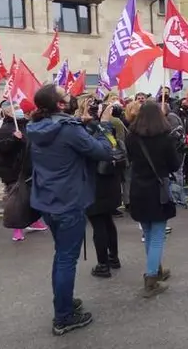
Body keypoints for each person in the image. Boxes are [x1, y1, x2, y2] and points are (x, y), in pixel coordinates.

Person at [26, 85, 113, 336]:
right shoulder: (68, 130)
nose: (71, 95)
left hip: (48, 200)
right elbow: (103, 152)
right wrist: (102, 125)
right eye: (66, 94)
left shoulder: (36, 127)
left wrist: (80, 124)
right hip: (69, 201)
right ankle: (63, 317)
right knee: (66, 259)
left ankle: (63, 302)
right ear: (61, 105)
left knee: (61, 255)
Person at [126, 100, 181, 298]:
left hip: (138, 188)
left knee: (148, 232)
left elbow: (130, 159)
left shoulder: (132, 136)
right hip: (158, 190)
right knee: (157, 234)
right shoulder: (165, 138)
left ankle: (155, 268)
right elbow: (174, 165)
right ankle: (151, 278)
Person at [80, 103, 125, 279]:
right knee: (107, 221)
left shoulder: (86, 132)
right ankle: (113, 257)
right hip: (110, 181)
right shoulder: (107, 129)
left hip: (95, 182)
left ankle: (103, 264)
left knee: (99, 224)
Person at [0, 104, 47, 242]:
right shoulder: (5, 129)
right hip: (13, 170)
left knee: (31, 197)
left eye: (18, 107)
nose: (18, 110)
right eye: (14, 108)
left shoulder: (27, 125)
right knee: (16, 201)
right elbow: (0, 148)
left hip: (29, 167)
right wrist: (13, 140)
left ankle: (32, 221)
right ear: (7, 112)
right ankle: (17, 228)